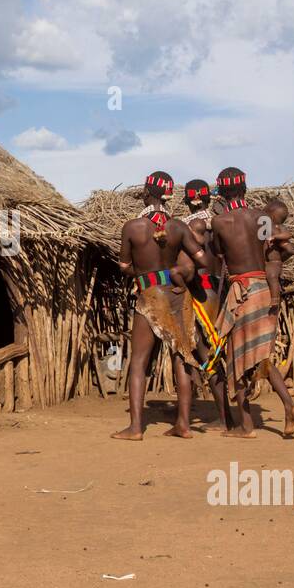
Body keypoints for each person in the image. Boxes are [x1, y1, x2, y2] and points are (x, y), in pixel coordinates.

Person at [112, 171, 206, 441]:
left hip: (150, 295)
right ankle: (184, 425)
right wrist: (180, 272)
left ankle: (136, 428)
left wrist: (142, 273)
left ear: (146, 192)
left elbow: (125, 266)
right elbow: (201, 260)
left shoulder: (133, 227)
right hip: (177, 295)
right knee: (182, 358)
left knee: (139, 362)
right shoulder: (178, 227)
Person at [206, 168, 279, 438]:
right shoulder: (263, 217)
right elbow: (269, 251)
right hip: (263, 287)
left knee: (235, 356)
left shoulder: (220, 222)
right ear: (245, 188)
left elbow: (220, 253)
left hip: (241, 290)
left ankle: (246, 426)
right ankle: (288, 405)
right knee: (261, 352)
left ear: (222, 193)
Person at [178, 178, 232, 429]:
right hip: (217, 292)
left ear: (189, 200)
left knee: (200, 355)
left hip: (198, 294)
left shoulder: (188, 227)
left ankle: (220, 418)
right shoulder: (221, 224)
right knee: (213, 354)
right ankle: (223, 416)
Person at [260, 197, 294, 438]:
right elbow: (291, 249)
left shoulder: (264, 223)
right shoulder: (274, 227)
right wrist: (278, 259)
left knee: (260, 358)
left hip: (260, 289)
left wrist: (269, 259)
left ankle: (286, 404)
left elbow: (265, 244)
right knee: (262, 357)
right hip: (272, 280)